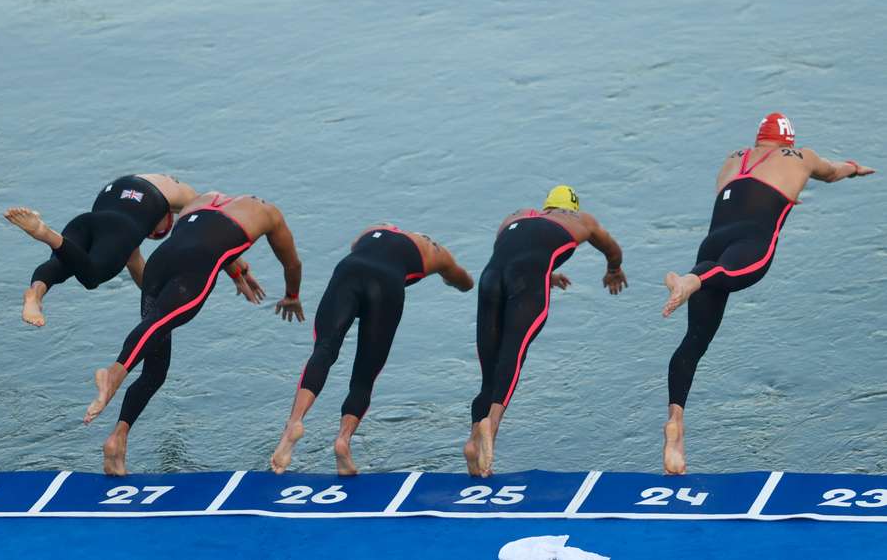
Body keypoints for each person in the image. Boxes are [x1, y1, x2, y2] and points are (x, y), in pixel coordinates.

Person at [661, 113, 875, 474]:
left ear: (759, 138)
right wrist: (854, 167)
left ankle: (675, 423)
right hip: (748, 244)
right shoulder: (802, 156)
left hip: (710, 245)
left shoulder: (732, 158)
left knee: (694, 341)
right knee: (731, 273)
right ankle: (689, 281)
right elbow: (832, 171)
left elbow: (746, 195)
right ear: (788, 141)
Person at [83, 191, 305, 475]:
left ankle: (117, 441)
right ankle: (114, 373)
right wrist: (292, 295)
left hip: (159, 263)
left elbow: (201, 238)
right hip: (194, 267)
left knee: (155, 369)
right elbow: (292, 264)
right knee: (160, 324)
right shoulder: (270, 213)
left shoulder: (203, 199)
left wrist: (237, 273)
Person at [270, 224, 473, 475]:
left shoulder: (372, 230)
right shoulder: (436, 251)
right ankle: (343, 440)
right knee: (365, 376)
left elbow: (358, 250)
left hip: (349, 271)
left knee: (324, 350)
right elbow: (466, 283)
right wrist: (447, 277)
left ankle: (294, 422)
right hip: (388, 283)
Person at [465, 186, 627, 477]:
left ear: (547, 206)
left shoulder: (514, 216)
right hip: (527, 281)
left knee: (489, 374)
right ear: (572, 209)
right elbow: (612, 250)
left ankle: (474, 439)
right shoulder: (583, 221)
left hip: (489, 280)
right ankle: (492, 425)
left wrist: (545, 272)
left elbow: (511, 256)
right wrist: (614, 270)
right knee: (513, 353)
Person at [4, 174, 198, 327]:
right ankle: (45, 233)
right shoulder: (186, 195)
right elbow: (206, 226)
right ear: (167, 215)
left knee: (60, 263)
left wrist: (156, 297)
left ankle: (34, 295)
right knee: (92, 277)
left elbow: (137, 266)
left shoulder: (132, 183)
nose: (150, 234)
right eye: (158, 232)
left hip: (85, 222)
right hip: (120, 228)